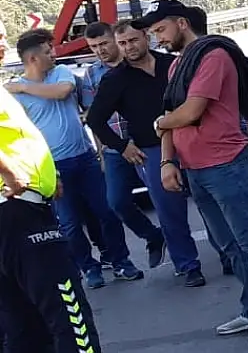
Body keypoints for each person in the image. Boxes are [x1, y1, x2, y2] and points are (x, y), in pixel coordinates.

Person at [0, 81, 150, 353]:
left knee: (21, 331)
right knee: (71, 320)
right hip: (18, 213)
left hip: (14, 215)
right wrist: (13, 175)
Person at [145, 1, 248, 345]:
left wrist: (160, 124)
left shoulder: (213, 57)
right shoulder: (178, 66)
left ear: (181, 23)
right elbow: (172, 113)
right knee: (228, 244)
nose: (158, 39)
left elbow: (190, 111)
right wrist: (168, 161)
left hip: (226, 164)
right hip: (195, 168)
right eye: (153, 33)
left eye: (160, 30)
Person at [5, 29, 143, 290]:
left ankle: (120, 261)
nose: (54, 55)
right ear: (33, 59)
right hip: (53, 166)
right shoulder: (12, 96)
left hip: (85, 158)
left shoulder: (59, 74)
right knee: (69, 224)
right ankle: (88, 268)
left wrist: (23, 86)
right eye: (47, 52)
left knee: (107, 212)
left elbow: (62, 92)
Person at [85, 21, 205, 286]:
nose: (129, 47)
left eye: (133, 40)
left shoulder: (171, 64)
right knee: (169, 210)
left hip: (191, 140)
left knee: (208, 201)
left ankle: (229, 254)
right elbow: (95, 119)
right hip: (151, 150)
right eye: (123, 43)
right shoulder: (115, 79)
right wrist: (121, 146)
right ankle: (188, 265)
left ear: (146, 37)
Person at [82, 22, 167, 270]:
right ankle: (153, 236)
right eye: (94, 47)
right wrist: (105, 151)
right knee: (116, 201)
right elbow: (92, 115)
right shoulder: (90, 75)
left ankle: (182, 254)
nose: (100, 50)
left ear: (116, 39)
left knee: (162, 198)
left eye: (104, 44)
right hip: (116, 149)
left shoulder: (139, 64)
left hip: (146, 142)